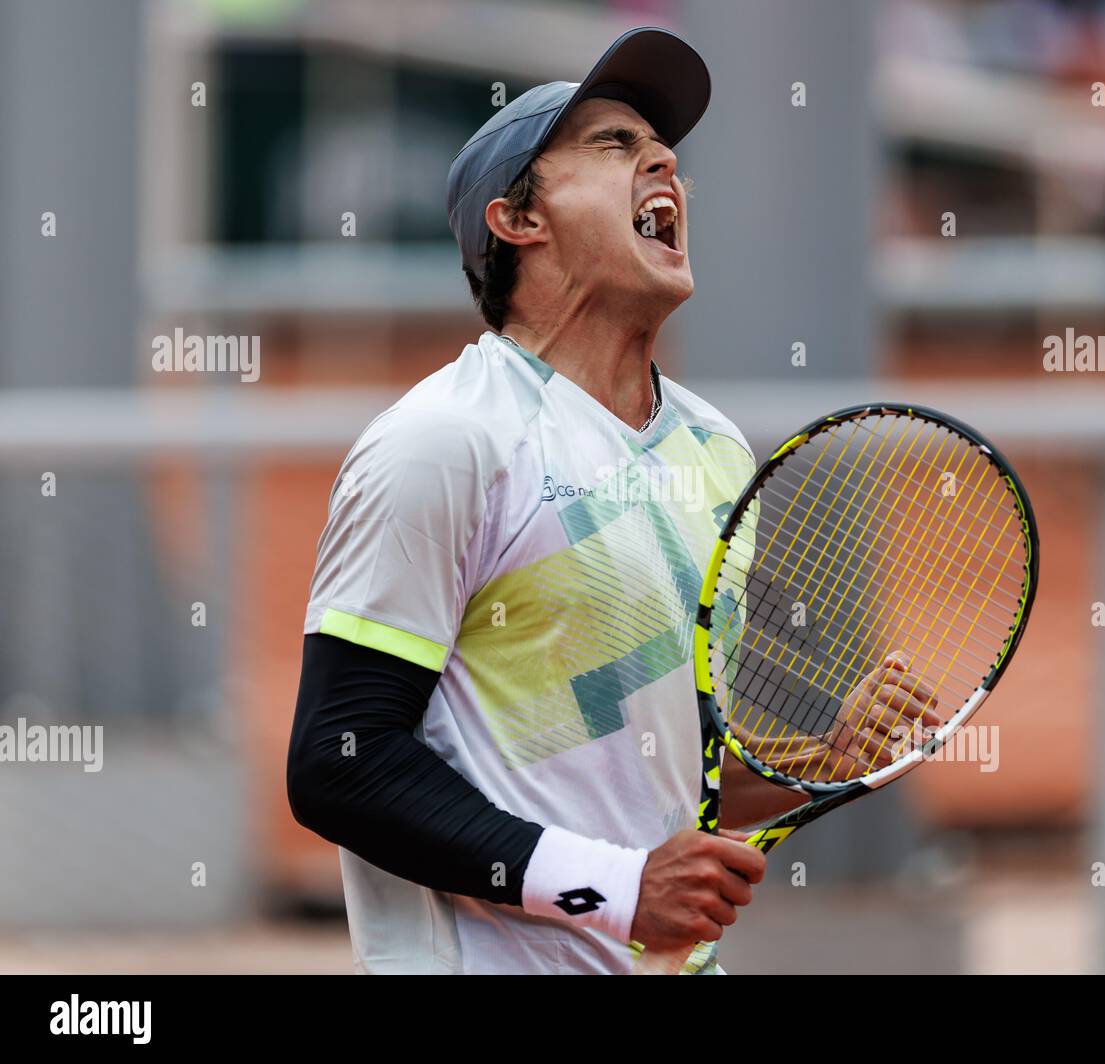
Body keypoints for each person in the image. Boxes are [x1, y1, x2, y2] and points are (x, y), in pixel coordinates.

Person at [288, 26, 806, 975]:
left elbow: (657, 776)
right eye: (614, 142)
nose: (664, 160)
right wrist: (618, 888)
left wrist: (819, 763)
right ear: (518, 219)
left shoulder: (717, 452)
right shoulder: (446, 439)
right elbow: (342, 759)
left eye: (664, 148)